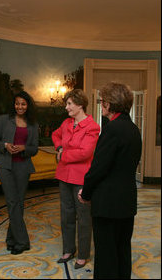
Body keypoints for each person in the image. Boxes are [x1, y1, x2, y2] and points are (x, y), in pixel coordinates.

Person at [78, 82, 142, 279]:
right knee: (122, 250)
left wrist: (86, 192)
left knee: (106, 255)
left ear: (109, 104)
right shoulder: (133, 129)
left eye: (102, 101)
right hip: (126, 201)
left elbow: (98, 169)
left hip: (108, 204)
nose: (101, 104)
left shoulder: (112, 129)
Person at [51, 89, 100, 269]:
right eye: (67, 104)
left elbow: (85, 153)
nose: (67, 107)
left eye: (70, 104)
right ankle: (69, 249)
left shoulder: (92, 126)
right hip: (64, 176)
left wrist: (63, 156)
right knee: (66, 215)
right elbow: (55, 135)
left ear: (80, 105)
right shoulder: (66, 123)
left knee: (84, 217)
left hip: (81, 178)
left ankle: (83, 254)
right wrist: (59, 148)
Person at [0, 90, 39, 255]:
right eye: (17, 103)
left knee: (18, 202)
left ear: (28, 105)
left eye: (23, 104)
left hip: (23, 166)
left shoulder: (33, 124)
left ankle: (11, 239)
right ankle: (22, 241)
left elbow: (34, 149)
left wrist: (24, 148)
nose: (20, 106)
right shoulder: (4, 119)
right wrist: (5, 145)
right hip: (5, 165)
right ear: (14, 104)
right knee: (12, 202)